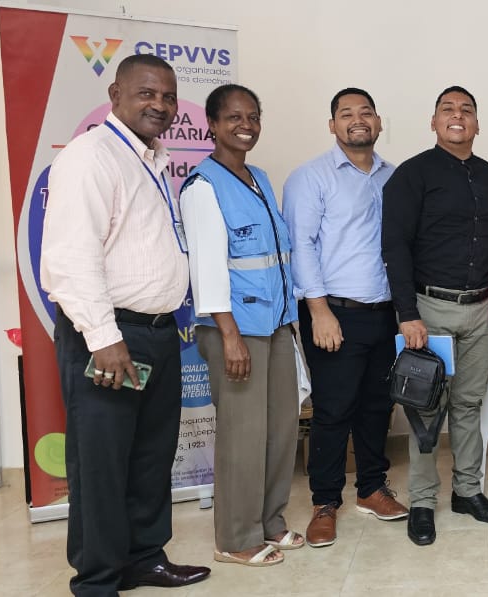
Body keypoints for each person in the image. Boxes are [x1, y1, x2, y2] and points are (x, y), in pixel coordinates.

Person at [40, 54, 211, 596]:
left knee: (150, 456)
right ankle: (97, 579)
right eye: (146, 93)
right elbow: (71, 258)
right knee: (102, 462)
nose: (159, 105)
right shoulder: (92, 156)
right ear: (115, 96)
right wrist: (104, 337)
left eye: (168, 96)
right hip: (111, 335)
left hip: (157, 332)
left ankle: (144, 558)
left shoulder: (151, 158)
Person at [384, 85, 488, 546]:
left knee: (469, 404)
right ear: (434, 121)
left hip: (482, 310)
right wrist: (407, 313)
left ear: (477, 124)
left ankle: (467, 491)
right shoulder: (411, 175)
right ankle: (422, 501)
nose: (457, 116)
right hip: (428, 310)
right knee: (425, 407)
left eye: (466, 110)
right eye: (448, 109)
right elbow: (394, 246)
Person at [180, 84, 300, 566]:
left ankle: (270, 521)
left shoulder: (259, 178)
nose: (245, 125)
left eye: (252, 116)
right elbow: (207, 269)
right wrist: (230, 336)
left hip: (276, 324)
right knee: (243, 435)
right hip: (236, 330)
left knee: (280, 430)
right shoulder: (202, 187)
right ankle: (235, 537)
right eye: (234, 117)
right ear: (212, 124)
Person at [283, 87, 408, 549]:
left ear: (379, 122)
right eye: (347, 113)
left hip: (384, 312)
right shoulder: (310, 177)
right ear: (332, 125)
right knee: (334, 410)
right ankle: (324, 502)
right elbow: (301, 246)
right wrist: (318, 311)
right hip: (333, 312)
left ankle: (372, 488)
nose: (358, 120)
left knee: (378, 406)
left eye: (366, 112)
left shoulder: (394, 176)